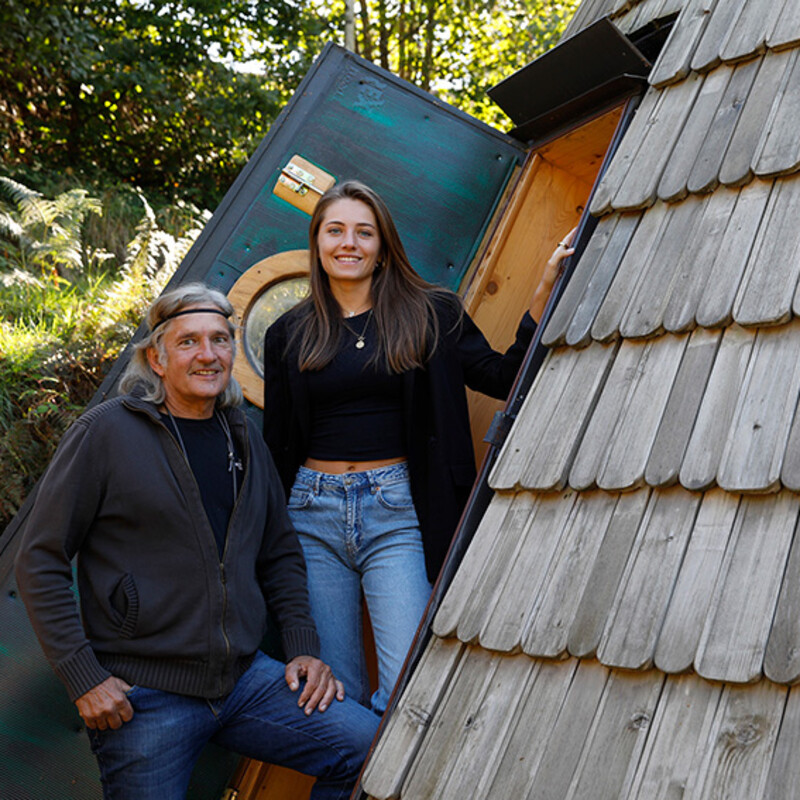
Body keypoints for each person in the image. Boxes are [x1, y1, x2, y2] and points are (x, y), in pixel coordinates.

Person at [14, 283, 379, 800]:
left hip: (245, 683)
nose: (207, 355)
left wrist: (302, 647)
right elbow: (40, 559)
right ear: (156, 358)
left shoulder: (243, 436)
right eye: (188, 342)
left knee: (366, 745)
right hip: (145, 697)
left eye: (220, 340)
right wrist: (84, 678)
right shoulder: (107, 433)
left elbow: (279, 552)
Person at [263, 179, 575, 714]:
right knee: (330, 694)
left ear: (383, 246)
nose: (349, 243)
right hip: (310, 513)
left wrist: (544, 293)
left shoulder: (431, 312)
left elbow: (502, 376)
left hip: (398, 511)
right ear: (317, 242)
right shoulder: (289, 333)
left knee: (404, 682)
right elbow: (277, 446)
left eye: (365, 232)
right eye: (335, 230)